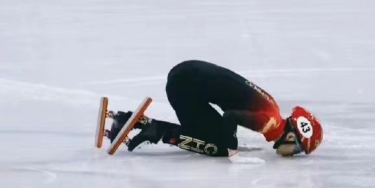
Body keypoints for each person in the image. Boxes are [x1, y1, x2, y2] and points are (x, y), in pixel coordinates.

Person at [108, 59, 323, 158]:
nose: (292, 154)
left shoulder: (272, 112)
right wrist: (231, 149)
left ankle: (131, 121)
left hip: (188, 74)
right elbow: (230, 116)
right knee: (218, 146)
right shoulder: (269, 121)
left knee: (209, 132)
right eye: (297, 149)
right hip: (186, 83)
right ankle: (156, 131)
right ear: (291, 137)